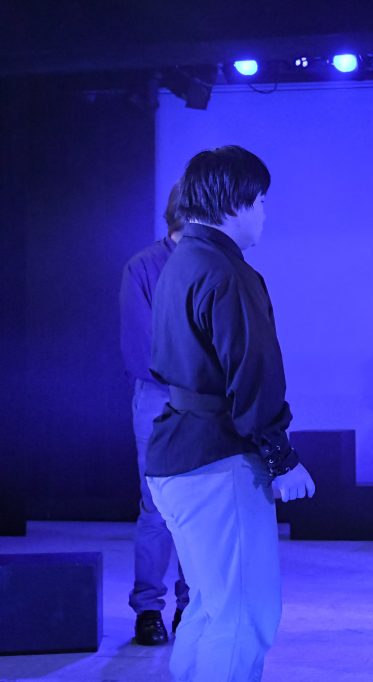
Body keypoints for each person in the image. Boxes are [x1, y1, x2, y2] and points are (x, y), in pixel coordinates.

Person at [146, 145, 316, 680]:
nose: (264, 212)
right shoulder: (227, 272)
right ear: (235, 201)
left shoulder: (180, 262)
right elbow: (252, 374)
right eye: (261, 200)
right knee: (243, 613)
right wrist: (282, 457)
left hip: (178, 454)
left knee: (209, 606)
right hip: (217, 460)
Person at [118, 182, 190, 645]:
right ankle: (148, 608)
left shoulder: (215, 266)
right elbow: (139, 347)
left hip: (205, 402)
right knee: (157, 507)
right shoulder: (143, 266)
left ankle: (191, 606)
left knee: (198, 507)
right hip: (160, 399)